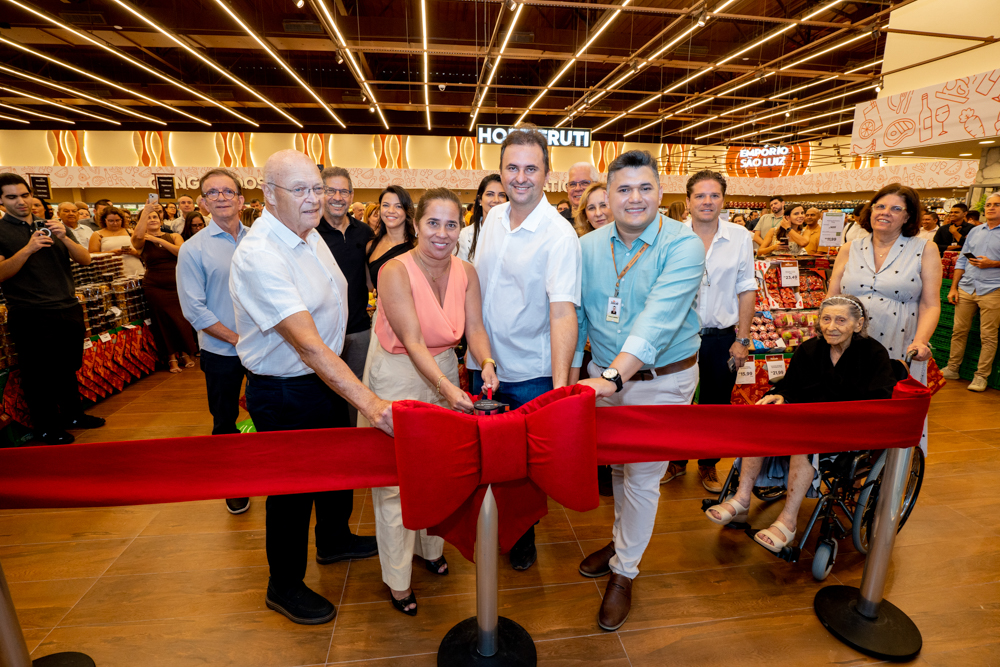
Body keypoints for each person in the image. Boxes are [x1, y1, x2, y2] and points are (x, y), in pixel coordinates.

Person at [229, 149, 389, 625]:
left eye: (317, 188)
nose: (313, 198)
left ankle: (334, 539)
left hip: (321, 380)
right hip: (285, 390)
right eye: (299, 190)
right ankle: (284, 585)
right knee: (292, 493)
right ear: (268, 196)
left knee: (333, 469)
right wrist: (374, 405)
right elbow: (308, 347)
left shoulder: (307, 234)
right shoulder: (260, 254)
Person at [570, 150, 704, 631]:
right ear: (606, 194)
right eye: (623, 189)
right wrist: (571, 377)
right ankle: (621, 540)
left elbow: (660, 319)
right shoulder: (587, 246)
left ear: (660, 194)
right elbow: (579, 316)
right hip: (602, 377)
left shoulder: (683, 244)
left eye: (644, 188)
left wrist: (613, 378)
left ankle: (625, 570)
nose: (634, 198)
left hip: (662, 380)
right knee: (620, 471)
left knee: (644, 476)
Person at [364, 187, 499, 616]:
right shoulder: (393, 270)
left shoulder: (467, 271)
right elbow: (412, 340)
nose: (442, 233)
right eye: (433, 223)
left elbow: (474, 327)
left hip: (441, 366)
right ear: (416, 224)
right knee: (393, 481)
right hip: (397, 370)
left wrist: (487, 360)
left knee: (438, 469)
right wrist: (446, 386)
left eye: (451, 224)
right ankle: (398, 579)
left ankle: (430, 547)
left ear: (462, 227)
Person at [469, 125, 582, 572]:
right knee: (488, 458)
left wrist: (557, 390)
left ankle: (523, 536)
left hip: (532, 373)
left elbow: (562, 314)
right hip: (486, 365)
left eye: (530, 168)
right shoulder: (492, 220)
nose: (520, 177)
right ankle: (492, 525)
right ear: (500, 171)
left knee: (526, 469)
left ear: (547, 174)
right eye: (512, 168)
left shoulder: (558, 235)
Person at [705, 295, 897, 551]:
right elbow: (791, 387)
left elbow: (878, 401)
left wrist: (834, 418)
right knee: (761, 423)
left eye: (841, 320)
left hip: (848, 430)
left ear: (859, 324)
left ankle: (788, 521)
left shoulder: (874, 354)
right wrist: (780, 395)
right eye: (826, 319)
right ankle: (741, 499)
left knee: (802, 443)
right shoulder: (810, 350)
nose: (832, 326)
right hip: (806, 424)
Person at [829, 182, 941, 451]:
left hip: (898, 343)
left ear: (908, 216)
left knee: (889, 413)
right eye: (880, 206)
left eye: (895, 208)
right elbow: (832, 296)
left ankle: (886, 477)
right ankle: (845, 470)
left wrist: (922, 341)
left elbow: (930, 304)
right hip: (848, 344)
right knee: (846, 409)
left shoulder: (924, 249)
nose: (885, 212)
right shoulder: (850, 248)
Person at [664, 171, 756, 493]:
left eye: (714, 195)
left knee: (716, 405)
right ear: (688, 201)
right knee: (677, 401)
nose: (707, 201)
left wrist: (742, 340)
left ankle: (708, 464)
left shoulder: (740, 236)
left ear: (723, 200)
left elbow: (746, 289)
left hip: (721, 337)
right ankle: (675, 461)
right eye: (700, 196)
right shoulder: (670, 235)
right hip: (676, 337)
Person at [0, 173, 104, 445]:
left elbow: (85, 259)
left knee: (68, 366)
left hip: (67, 306)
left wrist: (65, 237)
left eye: (24, 195)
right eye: (12, 197)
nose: (21, 201)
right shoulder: (1, 231)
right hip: (30, 312)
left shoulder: (53, 226)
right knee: (39, 374)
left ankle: (73, 415)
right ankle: (46, 426)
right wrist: (28, 248)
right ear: (1, 201)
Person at [176, 168, 251, 514]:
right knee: (224, 420)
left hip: (268, 350)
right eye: (212, 193)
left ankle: (270, 474)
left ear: (241, 198)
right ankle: (234, 483)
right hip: (223, 351)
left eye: (227, 191)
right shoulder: (193, 250)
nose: (221, 197)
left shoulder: (258, 241)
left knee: (270, 414)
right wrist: (238, 339)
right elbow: (195, 310)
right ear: (203, 203)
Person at [316, 166, 374, 424]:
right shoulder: (309, 232)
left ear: (351, 196)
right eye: (331, 190)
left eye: (344, 191)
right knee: (323, 397)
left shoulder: (364, 232)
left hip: (359, 329)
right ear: (320, 193)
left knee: (358, 394)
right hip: (321, 333)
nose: (338, 197)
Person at [943, 192, 1000, 391]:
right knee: (958, 331)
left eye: (996, 205)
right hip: (967, 287)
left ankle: (981, 376)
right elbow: (961, 260)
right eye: (989, 204)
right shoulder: (976, 231)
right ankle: (952, 368)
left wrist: (993, 263)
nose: (991, 208)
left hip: (993, 289)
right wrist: (953, 287)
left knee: (988, 336)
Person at [131, 203, 198, 373]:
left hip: (177, 283)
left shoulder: (174, 236)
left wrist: (159, 239)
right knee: (163, 322)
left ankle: (185, 353)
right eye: (148, 217)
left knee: (181, 319)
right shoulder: (141, 240)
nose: (152, 219)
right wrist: (145, 212)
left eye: (155, 216)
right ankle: (171, 358)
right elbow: (136, 238)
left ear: (161, 220)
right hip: (155, 285)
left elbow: (182, 252)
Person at [367, 185, 415, 292]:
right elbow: (369, 286)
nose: (391, 211)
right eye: (386, 205)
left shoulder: (417, 246)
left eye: (398, 206)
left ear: (407, 210)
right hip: (381, 307)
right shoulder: (371, 246)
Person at [456, 173, 506, 261]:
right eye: (490, 194)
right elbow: (462, 270)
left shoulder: (515, 233)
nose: (496, 200)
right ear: (480, 199)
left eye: (502, 195)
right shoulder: (466, 234)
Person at [89, 207, 144, 277]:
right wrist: (112, 253)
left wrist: (134, 252)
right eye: (111, 221)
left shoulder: (130, 232)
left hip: (135, 268)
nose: (115, 223)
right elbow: (92, 255)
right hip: (112, 270)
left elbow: (143, 253)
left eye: (117, 220)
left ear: (122, 220)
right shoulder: (97, 234)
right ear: (104, 220)